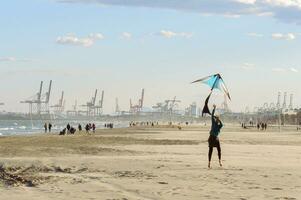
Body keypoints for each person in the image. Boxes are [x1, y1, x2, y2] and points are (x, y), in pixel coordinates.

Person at [208, 104, 223, 168]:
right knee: (212, 150)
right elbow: (212, 116)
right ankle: (209, 162)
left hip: (213, 138)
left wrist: (218, 119)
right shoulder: (215, 124)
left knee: (218, 150)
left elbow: (222, 124)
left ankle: (218, 161)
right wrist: (214, 109)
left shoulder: (218, 125)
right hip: (213, 138)